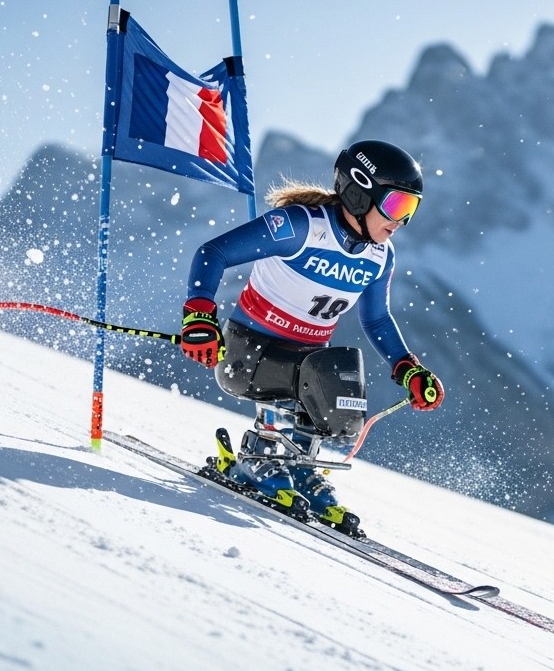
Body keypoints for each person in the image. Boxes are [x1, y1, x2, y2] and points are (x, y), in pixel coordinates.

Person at [178, 139, 445, 536]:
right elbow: (212, 252)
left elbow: (377, 320)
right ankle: (259, 453)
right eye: (395, 207)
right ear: (359, 192)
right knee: (326, 371)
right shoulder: (301, 226)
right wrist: (199, 315)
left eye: (410, 211)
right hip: (246, 354)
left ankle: (299, 467)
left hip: (305, 365)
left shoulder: (379, 255)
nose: (400, 222)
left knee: (343, 377)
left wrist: (408, 368)